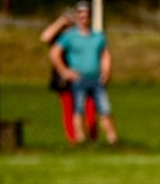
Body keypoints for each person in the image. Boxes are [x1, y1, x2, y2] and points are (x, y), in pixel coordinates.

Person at [49, 2, 117, 146]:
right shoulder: (69, 36)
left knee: (104, 109)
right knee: (78, 110)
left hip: (96, 79)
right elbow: (53, 52)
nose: (83, 19)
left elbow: (105, 54)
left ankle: (112, 140)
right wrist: (64, 71)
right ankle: (79, 141)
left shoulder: (98, 36)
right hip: (79, 79)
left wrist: (106, 71)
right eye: (80, 16)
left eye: (86, 16)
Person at [41, 10, 95, 143]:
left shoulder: (83, 35)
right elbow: (45, 37)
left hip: (84, 75)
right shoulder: (61, 37)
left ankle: (91, 137)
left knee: (89, 106)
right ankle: (73, 139)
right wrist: (61, 21)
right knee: (68, 108)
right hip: (65, 78)